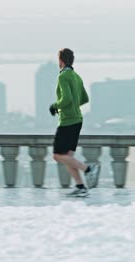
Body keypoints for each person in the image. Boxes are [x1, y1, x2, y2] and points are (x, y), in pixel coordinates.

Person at [50, 48, 101, 197]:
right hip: (77, 120)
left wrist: (55, 106)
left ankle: (88, 169)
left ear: (61, 60)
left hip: (67, 121)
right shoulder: (76, 76)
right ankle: (80, 187)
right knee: (68, 157)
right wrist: (72, 106)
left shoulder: (63, 76)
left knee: (57, 155)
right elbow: (84, 98)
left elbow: (66, 99)